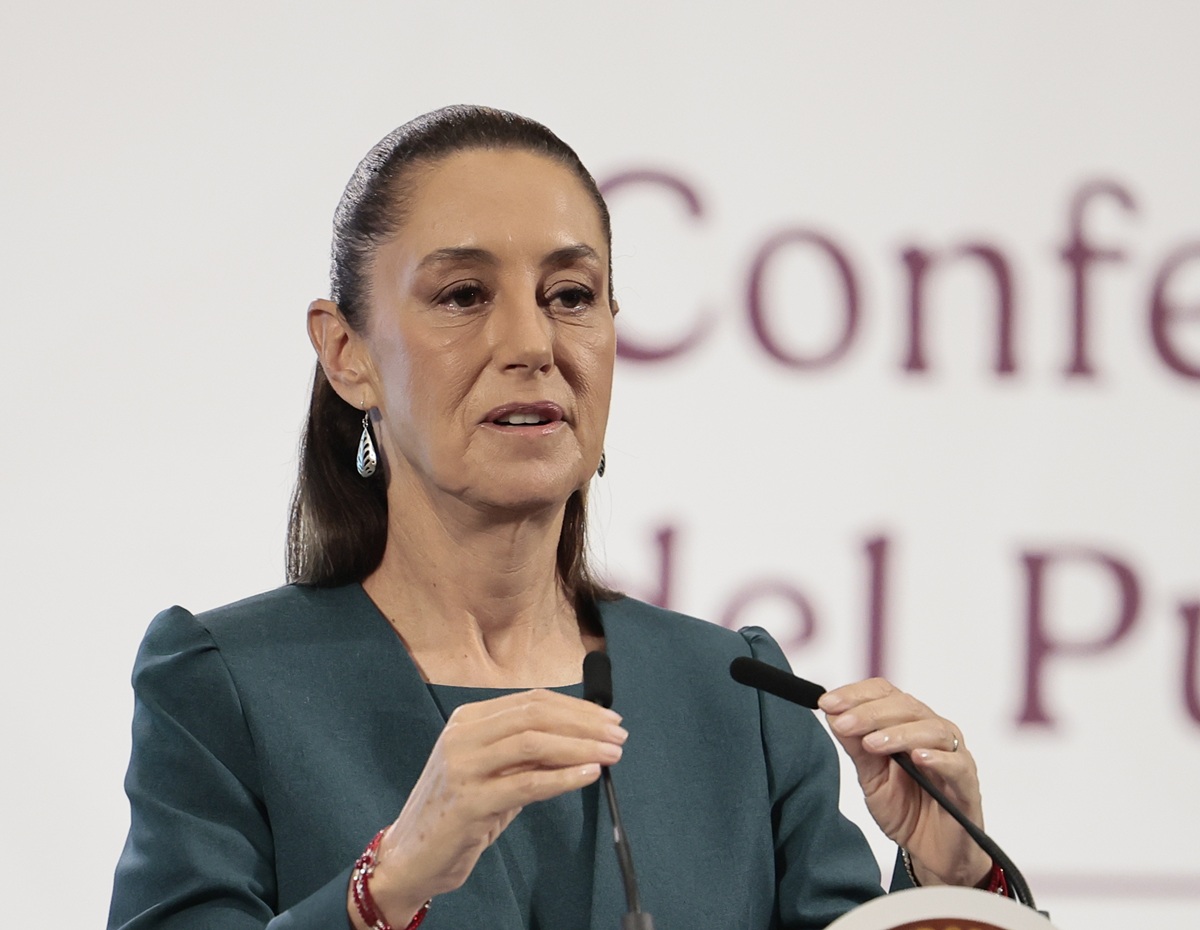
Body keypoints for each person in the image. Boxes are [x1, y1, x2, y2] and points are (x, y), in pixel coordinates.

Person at [108, 105, 998, 930]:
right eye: (463, 295)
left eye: (569, 296)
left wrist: (951, 883)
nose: (532, 344)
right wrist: (388, 886)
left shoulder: (740, 702)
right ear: (347, 354)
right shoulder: (228, 686)